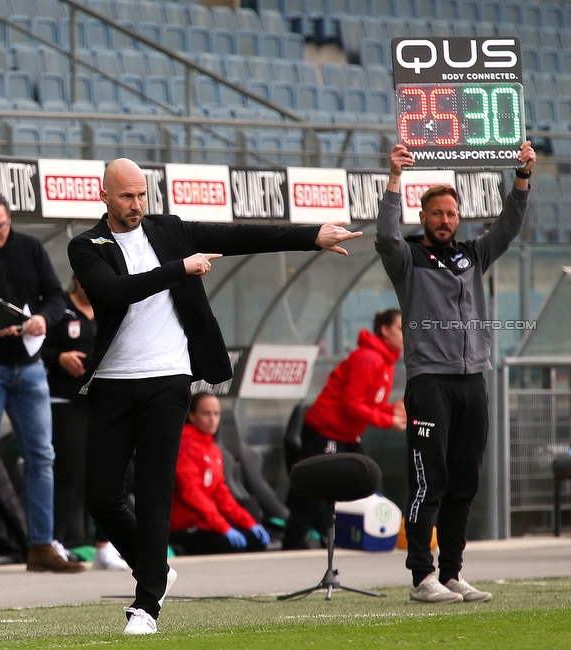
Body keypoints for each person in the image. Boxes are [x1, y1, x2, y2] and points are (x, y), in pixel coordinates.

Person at [67, 158, 360, 634]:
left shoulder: (169, 229)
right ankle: (155, 570)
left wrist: (311, 236)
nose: (137, 204)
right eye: (126, 196)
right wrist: (178, 269)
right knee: (101, 497)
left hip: (168, 380)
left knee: (156, 492)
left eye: (142, 194)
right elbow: (114, 292)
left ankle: (146, 608)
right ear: (104, 196)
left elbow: (241, 236)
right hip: (114, 384)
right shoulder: (86, 246)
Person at [376, 141, 535, 604]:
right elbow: (384, 238)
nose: (445, 220)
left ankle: (451, 574)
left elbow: (507, 228)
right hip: (430, 383)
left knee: (464, 481)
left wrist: (521, 177)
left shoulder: (473, 256)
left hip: (473, 382)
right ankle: (421, 578)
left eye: (451, 213)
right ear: (422, 217)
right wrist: (393, 180)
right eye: (437, 214)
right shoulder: (407, 259)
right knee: (430, 481)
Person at [0, 189, 84, 575]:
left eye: (1, 227)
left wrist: (45, 317)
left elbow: (57, 295)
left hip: (28, 366)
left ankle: (41, 546)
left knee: (43, 456)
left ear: (10, 220)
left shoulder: (28, 248)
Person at [282, 308, 407, 551]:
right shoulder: (369, 358)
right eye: (402, 328)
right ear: (385, 330)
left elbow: (369, 404)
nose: (407, 334)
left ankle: (368, 539)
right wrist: (387, 421)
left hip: (347, 434)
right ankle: (290, 551)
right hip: (325, 432)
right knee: (310, 498)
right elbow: (352, 405)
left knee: (368, 483)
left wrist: (392, 410)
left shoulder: (386, 362)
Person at [42, 275, 127, 570]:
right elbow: (35, 347)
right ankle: (54, 541)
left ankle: (105, 545)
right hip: (64, 399)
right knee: (69, 468)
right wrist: (60, 357)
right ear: (76, 278)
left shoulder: (109, 307)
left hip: (100, 399)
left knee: (107, 469)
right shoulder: (59, 308)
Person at [169, 392, 269, 555]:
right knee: (235, 545)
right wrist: (223, 527)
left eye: (217, 414)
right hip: (185, 526)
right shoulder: (185, 447)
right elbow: (192, 493)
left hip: (207, 523)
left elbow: (220, 493)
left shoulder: (213, 449)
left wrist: (249, 522)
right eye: (206, 414)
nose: (213, 420)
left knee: (255, 540)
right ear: (192, 416)